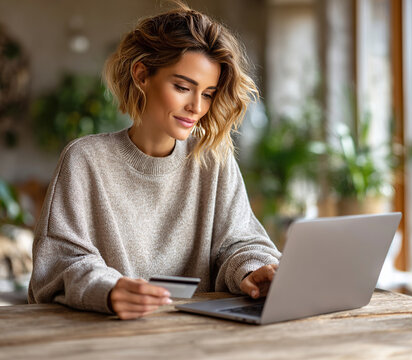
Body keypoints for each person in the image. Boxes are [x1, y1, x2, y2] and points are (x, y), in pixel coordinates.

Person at [28, 3, 281, 320]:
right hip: (107, 336)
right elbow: (59, 263)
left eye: (207, 93)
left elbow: (240, 242)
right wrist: (107, 290)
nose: (196, 107)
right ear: (142, 74)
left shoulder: (212, 158)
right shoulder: (85, 160)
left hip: (203, 336)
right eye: (183, 87)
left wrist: (253, 271)